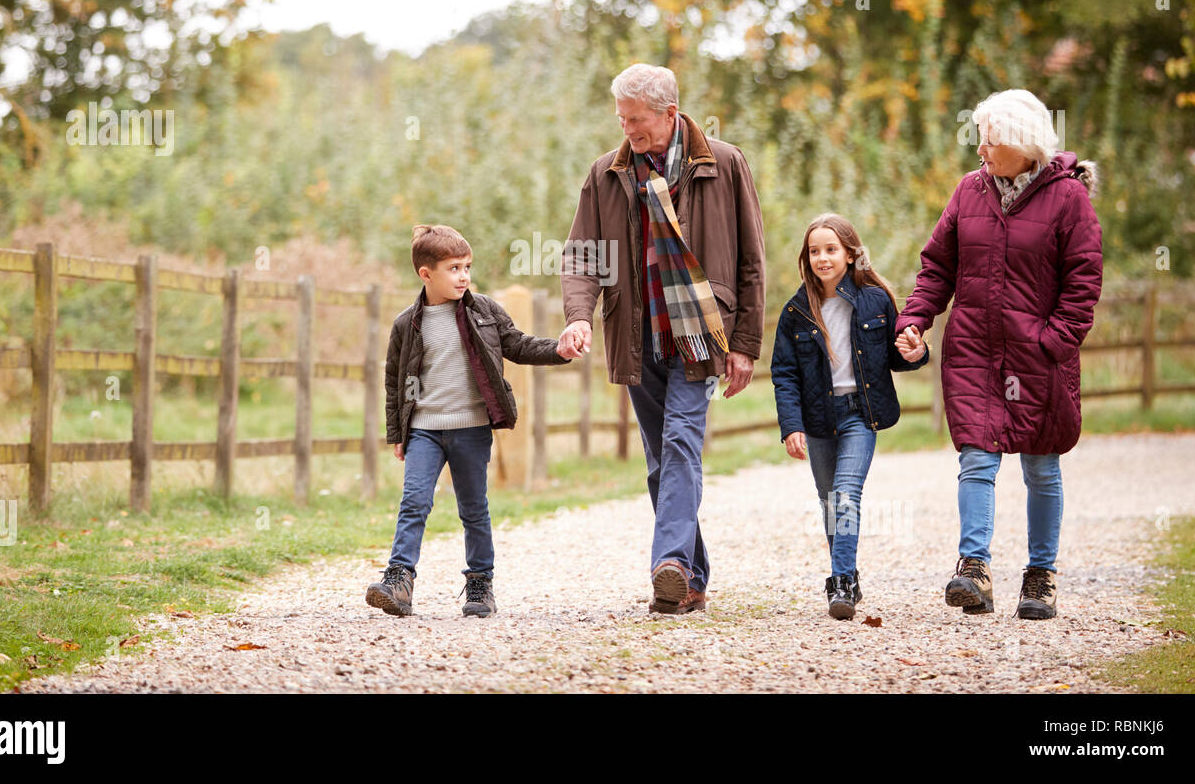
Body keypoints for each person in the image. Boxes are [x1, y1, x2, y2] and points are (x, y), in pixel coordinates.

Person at [558, 63, 766, 614]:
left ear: (670, 113)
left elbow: (751, 261)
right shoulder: (606, 174)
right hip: (637, 334)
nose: (627, 130)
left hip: (701, 334)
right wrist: (579, 314)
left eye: (637, 120)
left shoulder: (723, 163)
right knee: (660, 460)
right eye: (622, 119)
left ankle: (668, 562)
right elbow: (582, 256)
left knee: (679, 443)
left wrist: (744, 343)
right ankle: (690, 580)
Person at [894, 89, 1102, 619]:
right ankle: (974, 570)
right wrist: (916, 319)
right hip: (974, 351)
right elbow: (938, 266)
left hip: (1038, 358)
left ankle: (1040, 576)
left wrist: (1051, 343)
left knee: (1041, 464)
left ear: (1024, 144)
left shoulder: (1069, 200)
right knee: (976, 459)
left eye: (990, 142)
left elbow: (1083, 284)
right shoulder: (970, 191)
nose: (981, 151)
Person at [367, 224, 571, 618]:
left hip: (471, 428)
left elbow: (518, 345)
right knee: (414, 501)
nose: (464, 276)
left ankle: (480, 582)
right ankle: (399, 579)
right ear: (426, 274)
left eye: (467, 267)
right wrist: (398, 432)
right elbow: (396, 381)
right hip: (424, 428)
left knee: (473, 507)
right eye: (454, 268)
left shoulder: (485, 312)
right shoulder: (406, 323)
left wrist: (558, 350)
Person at [771, 213, 929, 619]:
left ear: (849, 253)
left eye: (831, 249)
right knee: (830, 503)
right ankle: (850, 578)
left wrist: (918, 352)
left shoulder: (876, 301)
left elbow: (898, 355)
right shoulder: (796, 312)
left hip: (862, 414)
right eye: (814, 251)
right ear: (806, 258)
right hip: (819, 418)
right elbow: (784, 374)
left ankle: (839, 581)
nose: (822, 258)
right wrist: (791, 426)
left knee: (844, 495)